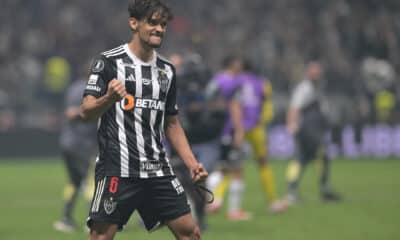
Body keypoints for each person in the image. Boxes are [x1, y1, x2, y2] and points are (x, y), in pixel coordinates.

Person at [80, 1, 207, 239]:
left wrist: (192, 164)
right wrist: (108, 98)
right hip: (118, 169)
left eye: (163, 24)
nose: (159, 28)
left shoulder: (167, 70)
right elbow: (86, 112)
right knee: (100, 236)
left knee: (190, 233)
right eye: (153, 22)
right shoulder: (109, 62)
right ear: (134, 23)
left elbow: (172, 122)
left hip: (157, 169)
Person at [207, 58, 287, 220]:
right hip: (254, 127)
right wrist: (263, 120)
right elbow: (267, 105)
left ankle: (217, 199)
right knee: (262, 163)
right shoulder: (262, 82)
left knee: (231, 165)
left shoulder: (233, 80)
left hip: (235, 126)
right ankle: (272, 201)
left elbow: (221, 98)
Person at [286, 61, 341, 204]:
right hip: (307, 128)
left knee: (301, 159)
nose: (317, 74)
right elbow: (294, 107)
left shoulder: (316, 87)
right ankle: (324, 189)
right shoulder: (305, 88)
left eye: (318, 71)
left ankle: (292, 191)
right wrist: (292, 124)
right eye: (314, 71)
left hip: (313, 128)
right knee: (322, 154)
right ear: (308, 72)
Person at [53, 77, 97, 233]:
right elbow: (71, 113)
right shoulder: (87, 89)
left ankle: (66, 219)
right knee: (91, 181)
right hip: (81, 144)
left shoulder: (74, 87)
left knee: (74, 181)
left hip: (69, 142)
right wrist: (97, 108)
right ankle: (93, 221)